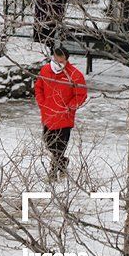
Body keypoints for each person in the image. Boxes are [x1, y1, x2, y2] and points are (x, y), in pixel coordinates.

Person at [34, 46, 87, 179]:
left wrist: (70, 107)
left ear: (66, 59)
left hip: (65, 118)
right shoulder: (45, 70)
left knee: (60, 146)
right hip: (48, 115)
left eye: (61, 60)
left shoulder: (74, 75)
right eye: (56, 59)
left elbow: (81, 94)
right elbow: (39, 87)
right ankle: (63, 162)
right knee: (49, 143)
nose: (58, 63)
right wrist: (42, 103)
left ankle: (53, 172)